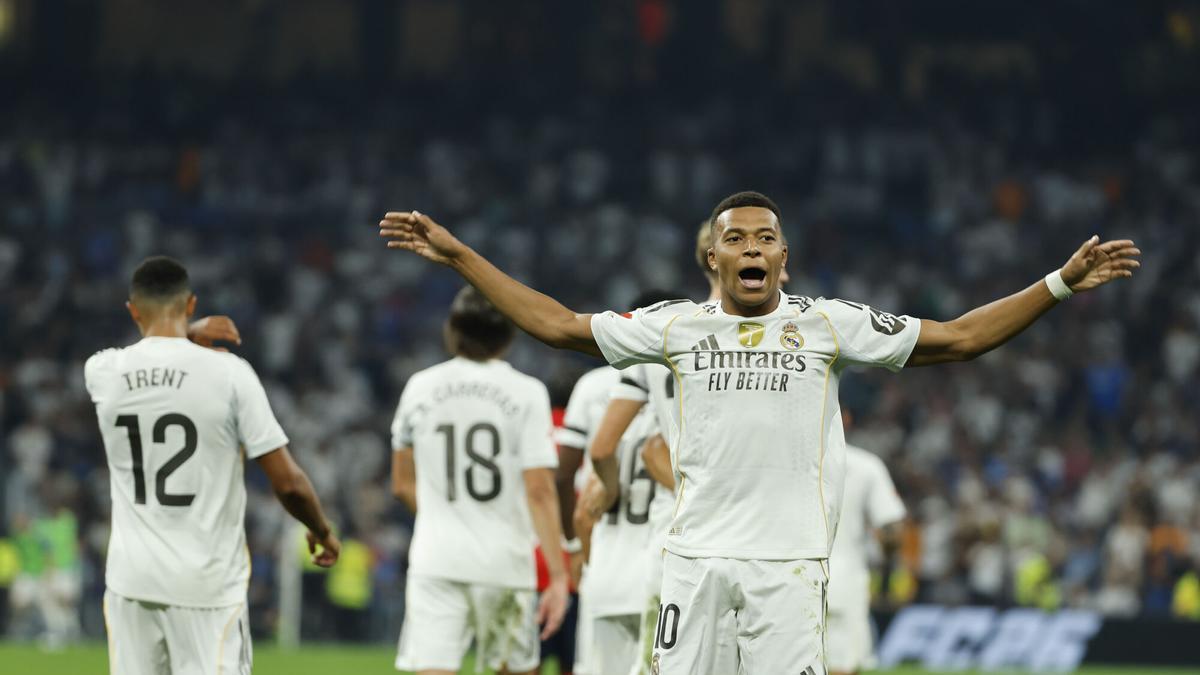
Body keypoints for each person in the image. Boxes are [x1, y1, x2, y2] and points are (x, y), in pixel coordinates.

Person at [377, 191, 1140, 673]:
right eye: (736, 238)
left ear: (783, 255)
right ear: (713, 256)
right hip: (692, 562)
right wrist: (458, 256)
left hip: (788, 566)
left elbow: (962, 337)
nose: (751, 248)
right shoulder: (674, 324)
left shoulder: (828, 323)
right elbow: (556, 324)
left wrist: (1059, 282)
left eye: (765, 237)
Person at [85, 256, 340, 675]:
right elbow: (289, 483)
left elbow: (152, 348)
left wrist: (188, 331)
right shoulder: (229, 374)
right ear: (190, 304)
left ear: (132, 310)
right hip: (207, 584)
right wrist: (321, 529)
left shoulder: (103, 371)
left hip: (132, 581)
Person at [390, 285, 569, 675]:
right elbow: (539, 490)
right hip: (504, 562)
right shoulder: (527, 393)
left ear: (452, 329)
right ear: (510, 334)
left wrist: (445, 516)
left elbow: (402, 484)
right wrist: (558, 574)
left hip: (436, 559)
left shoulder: (420, 387)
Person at [826, 413, 906, 675]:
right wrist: (885, 578)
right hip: (843, 579)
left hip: (787, 576)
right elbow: (892, 529)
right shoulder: (865, 465)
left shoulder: (789, 463)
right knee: (842, 664)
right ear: (846, 420)